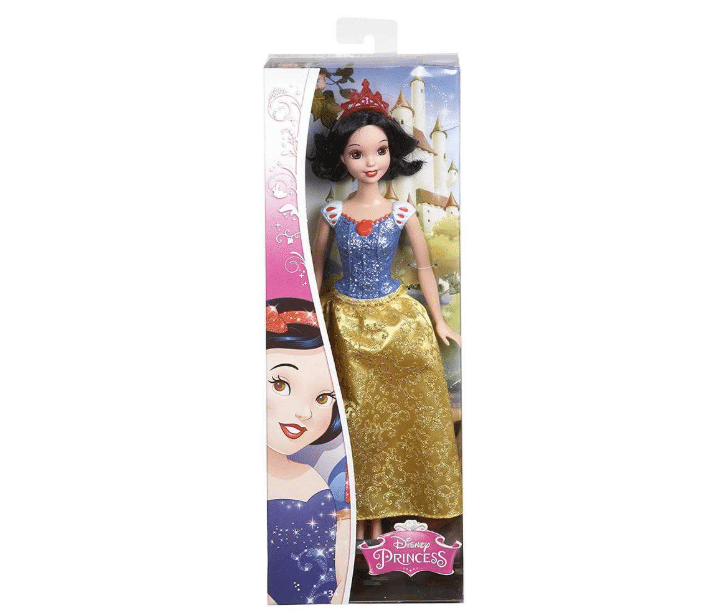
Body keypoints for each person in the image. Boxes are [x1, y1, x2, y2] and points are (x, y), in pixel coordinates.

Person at [310, 80, 463, 540]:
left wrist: (439, 320)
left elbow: (425, 267)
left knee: (403, 414)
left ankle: (401, 511)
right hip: (344, 323)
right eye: (357, 153)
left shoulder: (402, 214)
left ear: (392, 152)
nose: (370, 162)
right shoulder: (333, 214)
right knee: (356, 421)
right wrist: (306, 318)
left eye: (379, 151)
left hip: (398, 322)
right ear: (342, 157)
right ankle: (358, 516)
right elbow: (314, 271)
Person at [266, 297, 351, 604]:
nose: (304, 413)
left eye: (323, 397)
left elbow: (339, 548)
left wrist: (342, 592)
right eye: (280, 384)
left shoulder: (313, 475)